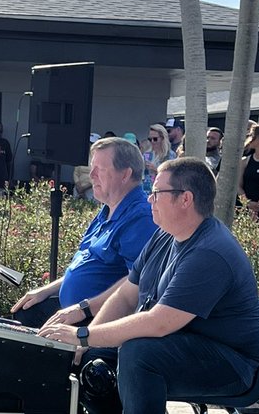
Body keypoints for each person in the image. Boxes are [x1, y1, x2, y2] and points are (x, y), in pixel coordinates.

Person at [39, 157, 259, 414]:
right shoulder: (166, 234)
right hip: (183, 346)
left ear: (185, 199)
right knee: (92, 368)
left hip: (232, 365)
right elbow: (127, 295)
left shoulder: (209, 251)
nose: (149, 200)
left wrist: (84, 333)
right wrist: (87, 341)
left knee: (140, 353)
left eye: (157, 193)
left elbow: (160, 323)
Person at [11, 137, 154, 329]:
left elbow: (136, 284)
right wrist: (45, 290)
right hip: (75, 310)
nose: (91, 175)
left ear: (125, 174)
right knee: (24, 314)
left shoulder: (141, 217)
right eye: (91, 168)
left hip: (98, 320)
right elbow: (85, 265)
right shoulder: (107, 210)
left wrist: (85, 315)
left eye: (100, 170)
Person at [141, 124, 173, 197]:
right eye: (150, 139)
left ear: (162, 138)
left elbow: (172, 175)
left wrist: (156, 169)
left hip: (162, 191)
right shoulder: (147, 154)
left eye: (155, 139)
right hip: (147, 191)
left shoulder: (170, 155)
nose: (152, 141)